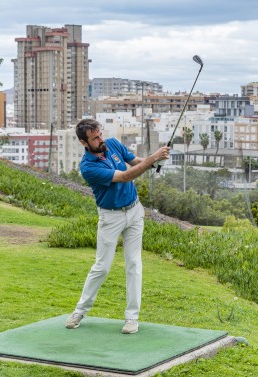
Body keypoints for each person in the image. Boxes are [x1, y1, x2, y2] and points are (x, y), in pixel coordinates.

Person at [66, 119, 170, 334]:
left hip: (134, 212)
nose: (100, 139)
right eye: (95, 138)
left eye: (100, 134)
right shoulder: (88, 167)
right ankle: (80, 310)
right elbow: (124, 176)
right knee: (102, 267)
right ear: (84, 143)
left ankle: (132, 318)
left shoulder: (112, 144)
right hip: (110, 217)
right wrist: (153, 158)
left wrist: (155, 162)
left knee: (134, 263)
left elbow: (136, 162)